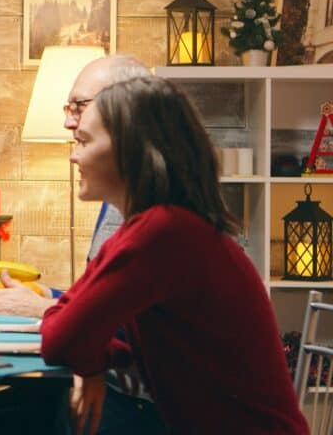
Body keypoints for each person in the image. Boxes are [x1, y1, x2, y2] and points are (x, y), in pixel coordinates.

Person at [40, 76, 308, 434]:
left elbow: (62, 337)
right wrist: (96, 359)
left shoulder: (162, 233)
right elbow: (70, 319)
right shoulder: (155, 227)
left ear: (129, 151)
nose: (74, 156)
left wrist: (91, 359)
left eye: (84, 142)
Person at [0, 55, 165, 434]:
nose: (69, 124)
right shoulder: (121, 199)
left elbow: (140, 332)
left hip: (145, 407)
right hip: (109, 386)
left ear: (125, 110)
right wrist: (46, 296)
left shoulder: (159, 220)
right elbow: (107, 302)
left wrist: (43, 309)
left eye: (79, 108)